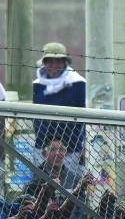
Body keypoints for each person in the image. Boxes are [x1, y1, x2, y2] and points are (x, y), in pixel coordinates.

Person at [32, 42, 86, 171]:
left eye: (58, 61)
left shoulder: (78, 84)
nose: (54, 65)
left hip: (71, 151)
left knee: (70, 186)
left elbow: (87, 118)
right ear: (44, 63)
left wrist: (86, 147)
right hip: (42, 150)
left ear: (64, 63)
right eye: (49, 61)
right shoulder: (37, 85)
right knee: (41, 186)